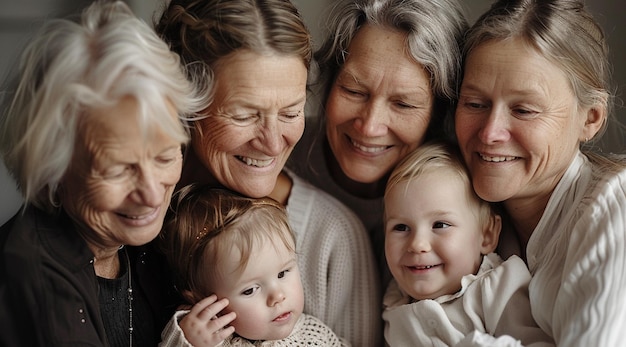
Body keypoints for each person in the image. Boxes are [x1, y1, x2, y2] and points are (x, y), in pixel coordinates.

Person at [155, 1, 381, 346]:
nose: (273, 144)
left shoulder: (332, 237)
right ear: (186, 103)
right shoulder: (134, 214)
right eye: (245, 115)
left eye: (291, 113)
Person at [0, 1, 206, 346]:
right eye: (117, 170)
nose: (153, 195)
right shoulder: (35, 283)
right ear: (53, 168)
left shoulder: (148, 242)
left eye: (165, 156)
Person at [454, 0, 626, 345]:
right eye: (475, 103)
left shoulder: (614, 208)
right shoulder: (457, 209)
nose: (489, 133)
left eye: (524, 110)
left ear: (590, 119)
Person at [287, 0, 469, 274]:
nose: (369, 127)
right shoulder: (275, 156)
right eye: (354, 91)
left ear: (438, 114)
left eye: (403, 104)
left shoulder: (463, 197)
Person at [382, 141, 553, 346]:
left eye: (440, 225)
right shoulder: (393, 299)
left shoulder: (496, 290)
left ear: (486, 235)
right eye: (400, 227)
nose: (417, 244)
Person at [158, 185, 348, 346]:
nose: (278, 297)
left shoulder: (315, 337)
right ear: (201, 299)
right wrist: (187, 341)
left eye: (282, 273)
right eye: (249, 290)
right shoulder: (212, 342)